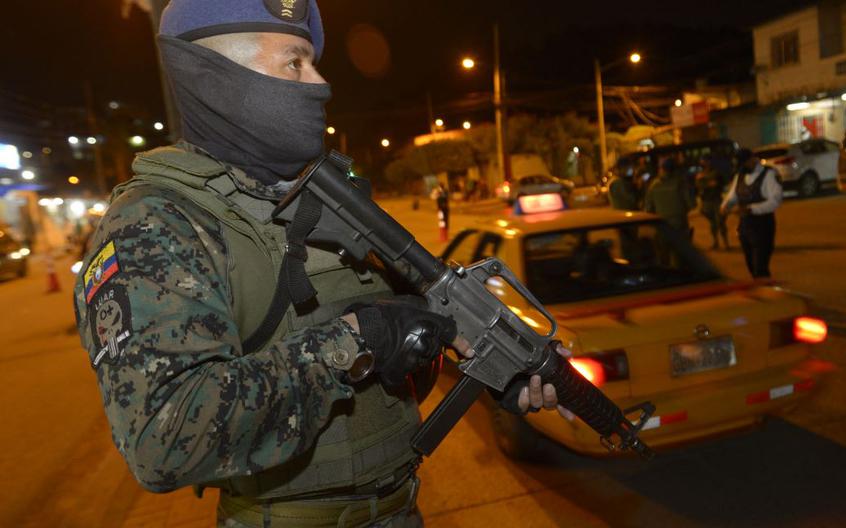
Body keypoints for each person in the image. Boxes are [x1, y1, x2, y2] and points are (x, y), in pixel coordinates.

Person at [72, 2, 567, 526]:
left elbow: (399, 357)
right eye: (295, 62)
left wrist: (487, 367)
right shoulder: (156, 222)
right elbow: (164, 441)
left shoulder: (329, 197)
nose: (321, 84)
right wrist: (354, 342)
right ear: (218, 76)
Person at [721, 148, 783, 278]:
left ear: (752, 160)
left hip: (763, 226)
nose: (741, 168)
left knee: (760, 268)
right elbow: (733, 196)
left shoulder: (769, 174)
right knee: (751, 267)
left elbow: (775, 201)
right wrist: (725, 205)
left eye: (743, 164)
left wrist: (751, 209)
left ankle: (766, 292)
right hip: (745, 226)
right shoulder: (740, 175)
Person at [643, 156, 695, 235]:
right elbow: (691, 203)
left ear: (661, 169)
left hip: (662, 223)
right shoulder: (680, 183)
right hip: (679, 221)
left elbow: (648, 207)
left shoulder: (653, 185)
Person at [695, 155, 729, 250]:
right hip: (707, 201)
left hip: (716, 200)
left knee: (720, 222)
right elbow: (699, 186)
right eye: (701, 161)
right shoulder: (700, 174)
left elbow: (717, 183)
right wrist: (707, 183)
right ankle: (716, 242)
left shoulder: (715, 172)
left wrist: (704, 181)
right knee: (713, 223)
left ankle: (725, 243)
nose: (702, 163)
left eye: (704, 161)